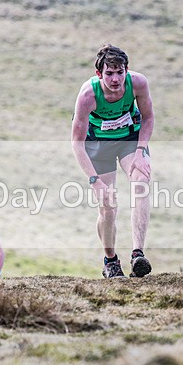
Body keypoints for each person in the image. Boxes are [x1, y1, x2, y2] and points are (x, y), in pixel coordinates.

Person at [71, 44, 155, 279]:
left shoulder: (138, 84)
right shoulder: (88, 95)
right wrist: (94, 181)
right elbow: (76, 143)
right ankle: (110, 261)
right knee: (108, 205)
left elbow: (148, 118)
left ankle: (138, 254)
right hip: (98, 145)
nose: (115, 79)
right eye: (109, 73)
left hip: (129, 139)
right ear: (99, 74)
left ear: (127, 70)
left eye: (120, 72)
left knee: (141, 181)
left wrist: (140, 151)